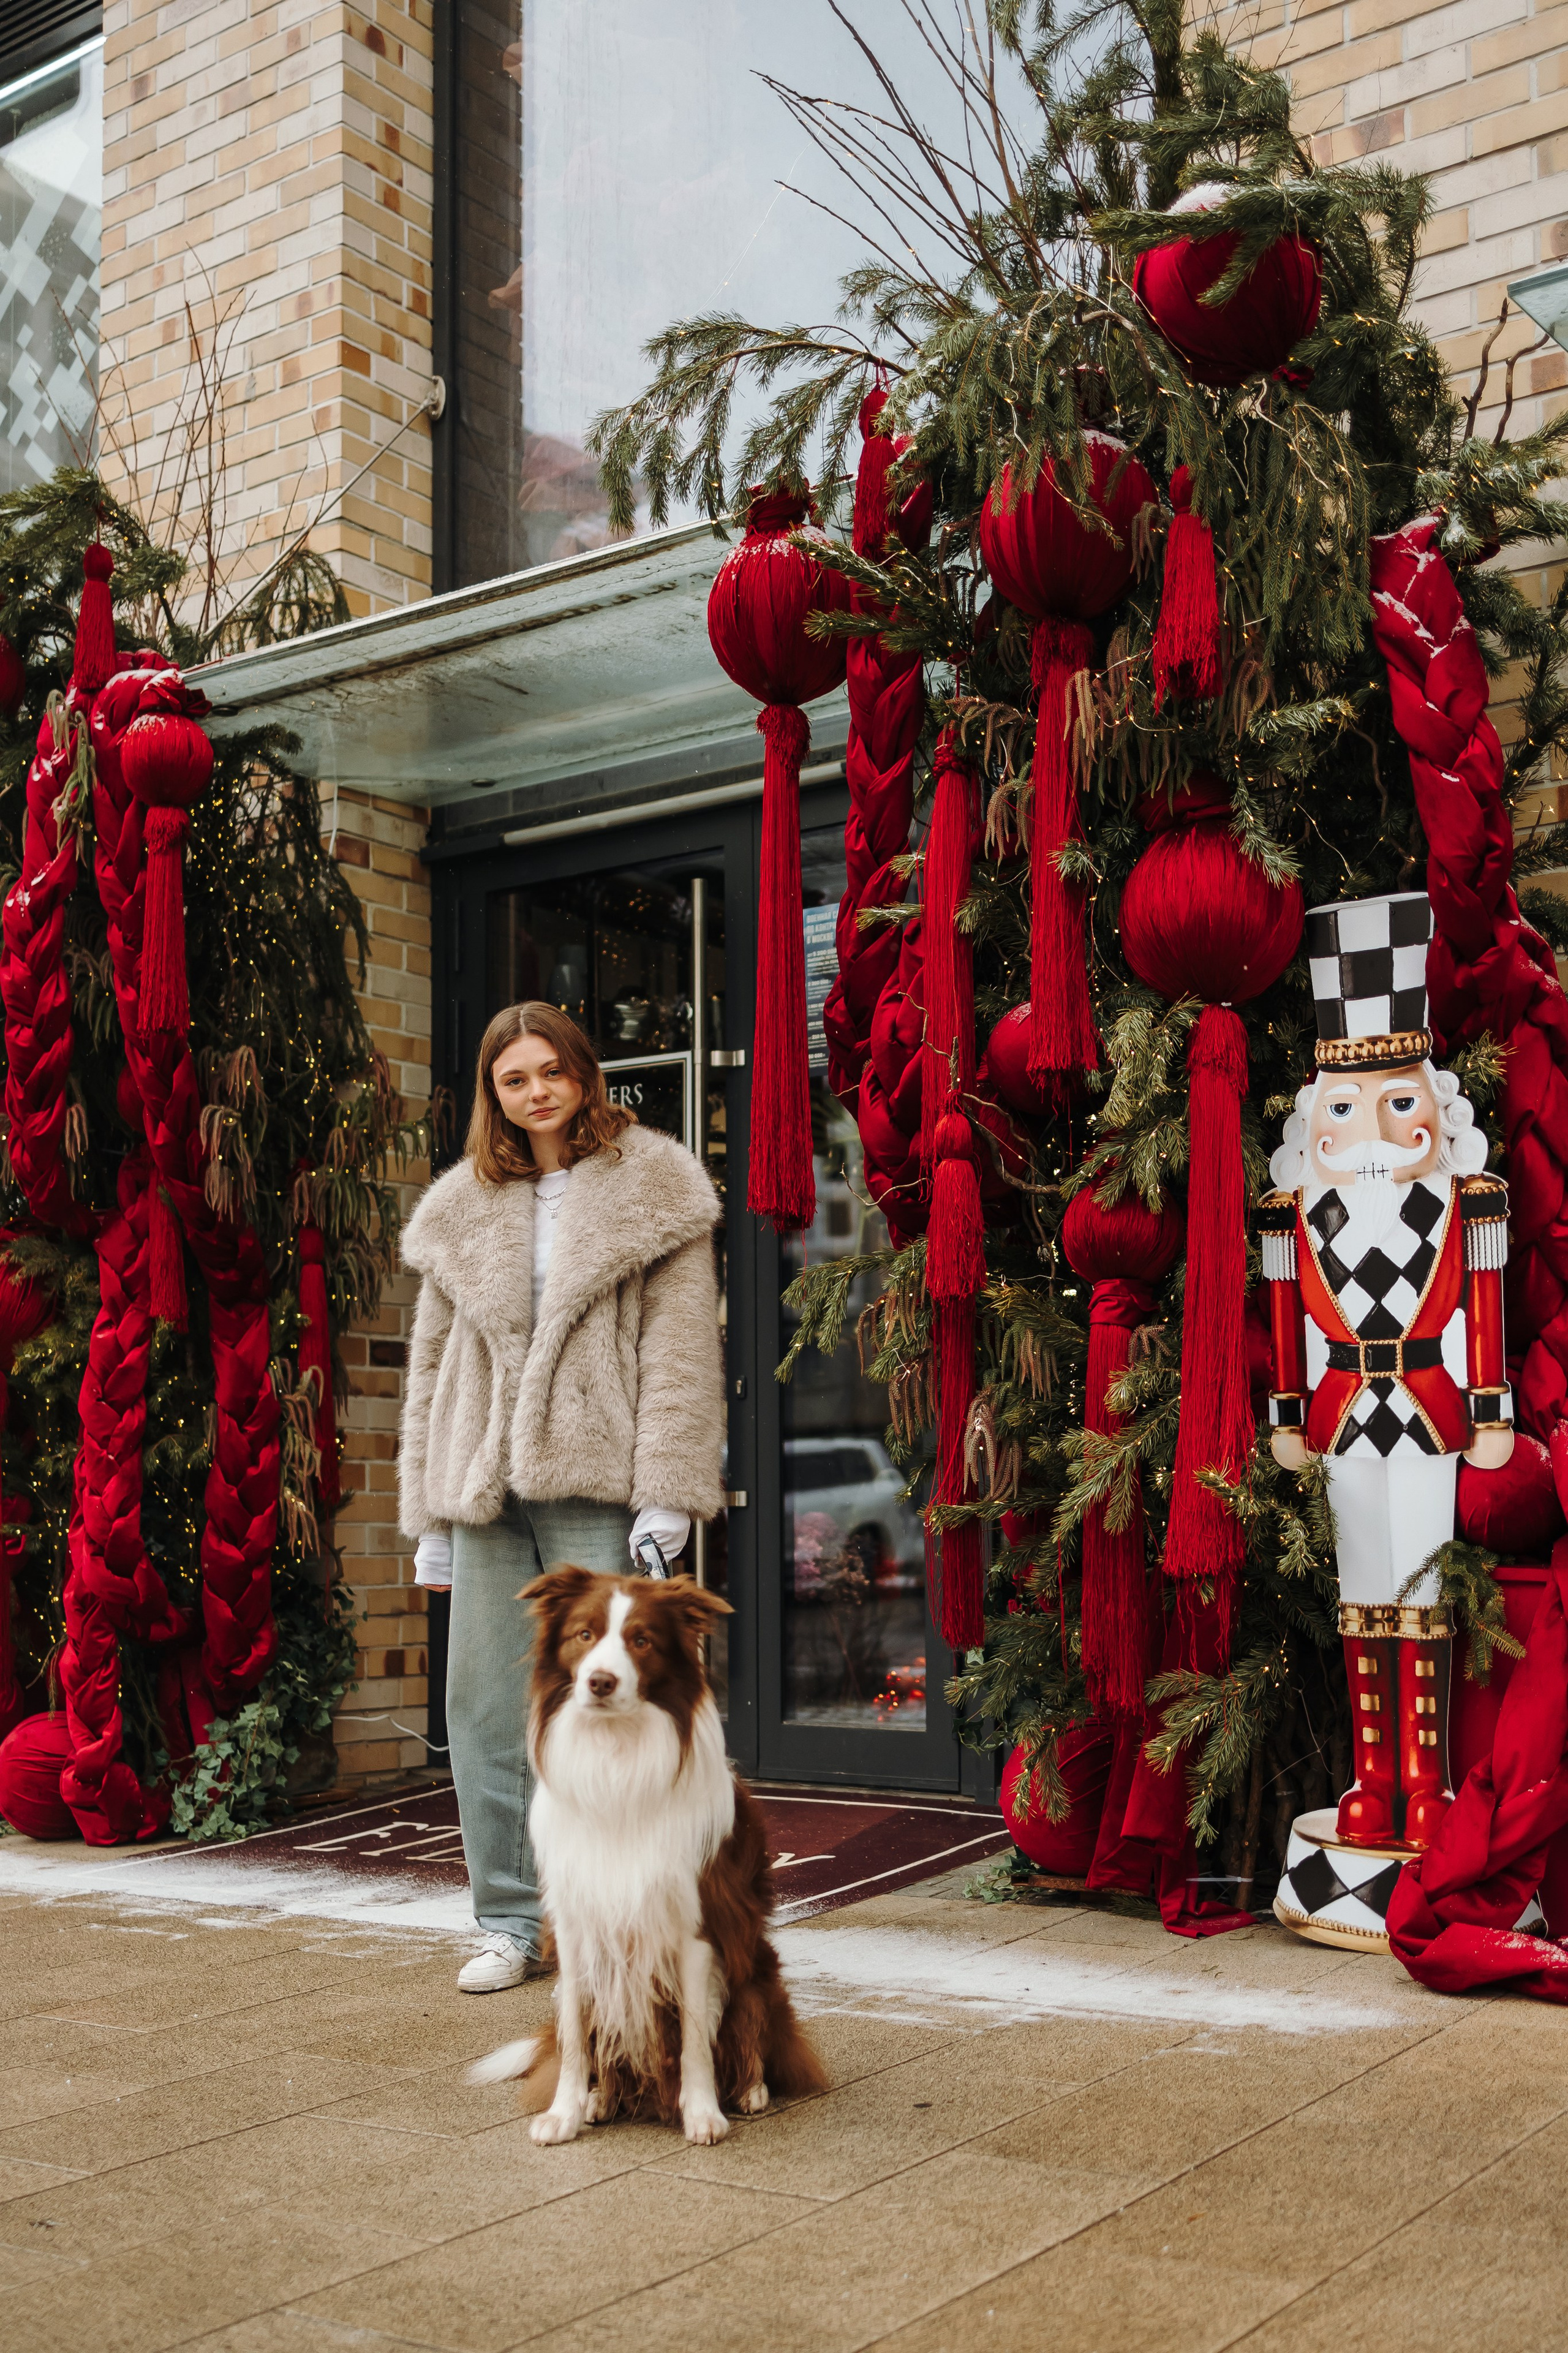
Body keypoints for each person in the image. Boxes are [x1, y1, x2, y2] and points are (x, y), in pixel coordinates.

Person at [398, 1001, 724, 1990]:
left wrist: (667, 1494)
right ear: (493, 1095)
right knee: (485, 1708)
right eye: (514, 1079)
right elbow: (429, 1366)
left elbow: (680, 1352)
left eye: (551, 1070)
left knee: (614, 1710)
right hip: (483, 1482)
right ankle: (510, 1920)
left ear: (583, 1073)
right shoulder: (462, 1203)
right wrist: (429, 1515)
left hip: (597, 1476)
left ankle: (626, 1920)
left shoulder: (653, 1184)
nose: (536, 1091)